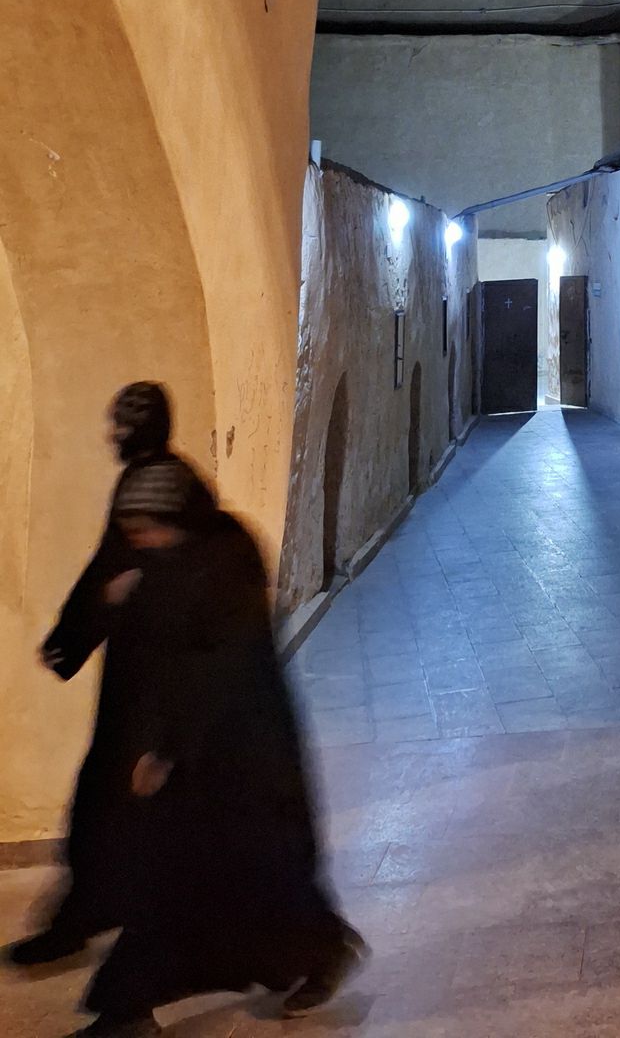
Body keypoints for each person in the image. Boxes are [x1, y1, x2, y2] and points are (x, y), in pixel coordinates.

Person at [77, 458, 365, 1037]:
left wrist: (167, 750)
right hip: (199, 760)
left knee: (250, 877)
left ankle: (323, 950)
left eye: (148, 530)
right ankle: (128, 1010)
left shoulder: (225, 557)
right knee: (179, 885)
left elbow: (221, 672)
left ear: (178, 516)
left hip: (244, 757)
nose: (143, 543)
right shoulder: (175, 559)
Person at [5, 384, 215, 968]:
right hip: (137, 675)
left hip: (161, 682)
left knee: (140, 803)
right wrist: (69, 639)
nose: (112, 435)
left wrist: (75, 635)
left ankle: (119, 925)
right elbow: (110, 571)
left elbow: (151, 576)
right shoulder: (153, 481)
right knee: (106, 797)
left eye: (121, 424)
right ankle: (90, 913)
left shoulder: (162, 487)